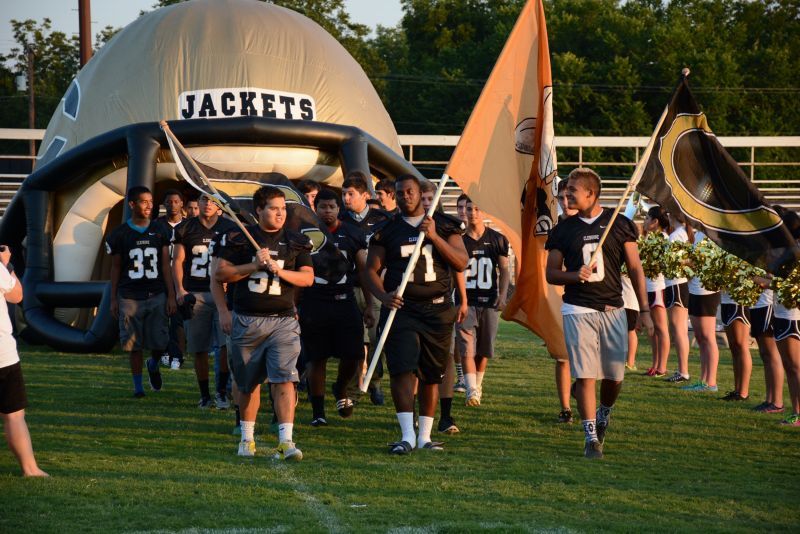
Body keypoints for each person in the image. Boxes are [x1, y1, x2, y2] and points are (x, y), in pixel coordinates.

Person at [545, 168, 652, 459]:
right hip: (577, 308)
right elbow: (551, 274)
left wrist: (645, 310)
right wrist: (572, 275)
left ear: (591, 194)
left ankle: (604, 413)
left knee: (615, 376)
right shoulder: (563, 229)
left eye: (573, 192)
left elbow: (635, 268)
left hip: (613, 308)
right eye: (566, 193)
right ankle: (591, 436)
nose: (566, 197)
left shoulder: (619, 224)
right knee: (585, 375)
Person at [365, 174, 468, 454]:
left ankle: (425, 435)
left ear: (420, 193)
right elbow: (370, 271)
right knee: (402, 369)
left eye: (409, 191)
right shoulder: (386, 230)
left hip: (437, 309)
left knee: (431, 373)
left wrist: (434, 235)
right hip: (403, 310)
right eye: (399, 193)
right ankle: (407, 434)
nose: (405, 196)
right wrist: (384, 297)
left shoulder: (445, 225)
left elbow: (461, 261)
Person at [214, 186, 314, 460]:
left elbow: (307, 278)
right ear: (258, 210)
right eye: (273, 208)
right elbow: (220, 274)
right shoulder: (240, 238)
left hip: (282, 320)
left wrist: (280, 270)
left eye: (283, 208)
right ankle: (247, 438)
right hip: (247, 319)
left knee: (284, 379)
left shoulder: (295, 241)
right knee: (248, 383)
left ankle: (286, 440)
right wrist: (253, 266)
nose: (280, 213)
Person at [300, 188, 373, 426]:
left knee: (353, 353)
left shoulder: (351, 233)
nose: (327, 211)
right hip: (315, 300)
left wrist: (370, 304)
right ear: (315, 208)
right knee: (316, 358)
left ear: (338, 209)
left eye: (332, 207)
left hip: (345, 299)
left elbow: (363, 271)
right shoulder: (305, 234)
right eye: (323, 206)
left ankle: (340, 388)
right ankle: (318, 411)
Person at [106, 186, 177, 397]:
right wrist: (113, 298)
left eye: (151, 202)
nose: (149, 206)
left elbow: (166, 265)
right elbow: (116, 268)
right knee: (133, 343)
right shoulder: (120, 234)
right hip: (129, 294)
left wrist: (171, 295)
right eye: (144, 202)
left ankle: (153, 364)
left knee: (160, 342)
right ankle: (138, 387)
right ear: (132, 205)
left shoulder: (160, 230)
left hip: (156, 293)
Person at [172, 195, 237, 408]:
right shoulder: (185, 228)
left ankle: (221, 392)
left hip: (223, 294)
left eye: (212, 200)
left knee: (225, 346)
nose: (208, 203)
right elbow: (178, 261)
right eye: (203, 199)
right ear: (197, 203)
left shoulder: (230, 227)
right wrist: (180, 289)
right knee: (198, 348)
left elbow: (237, 259)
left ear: (219, 205)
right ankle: (205, 395)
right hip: (196, 293)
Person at [419, 180, 467, 434]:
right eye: (423, 198)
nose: (427, 203)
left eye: (431, 198)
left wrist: (463, 298)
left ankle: (446, 415)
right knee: (415, 360)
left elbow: (457, 264)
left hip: (440, 302)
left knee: (445, 358)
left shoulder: (448, 225)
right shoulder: (404, 223)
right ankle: (420, 414)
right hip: (412, 303)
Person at [340, 172, 392, 404]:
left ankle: (376, 381)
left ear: (365, 195)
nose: (346, 199)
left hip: (376, 286)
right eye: (343, 194)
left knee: (375, 338)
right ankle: (353, 388)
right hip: (349, 286)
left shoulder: (382, 219)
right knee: (353, 340)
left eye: (350, 194)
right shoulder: (340, 219)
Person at [0, 245, 48, 477]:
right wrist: (7, 264)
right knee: (14, 415)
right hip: (3, 354)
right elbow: (17, 295)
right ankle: (30, 468)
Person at [457, 197, 510, 407]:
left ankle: (477, 385)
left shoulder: (498, 239)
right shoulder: (459, 240)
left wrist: (503, 294)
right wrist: (460, 298)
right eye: (469, 209)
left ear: (485, 212)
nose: (473, 213)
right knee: (466, 347)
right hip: (466, 300)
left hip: (489, 300)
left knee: (484, 349)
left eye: (478, 209)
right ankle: (471, 390)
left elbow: (504, 270)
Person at [682, 225, 721, 393]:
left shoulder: (715, 235)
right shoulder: (698, 235)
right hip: (695, 289)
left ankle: (711, 382)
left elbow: (714, 261)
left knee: (707, 337)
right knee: (699, 337)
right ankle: (703, 380)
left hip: (708, 290)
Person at [154, 189, 187, 370]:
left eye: (176, 201)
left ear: (182, 204)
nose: (172, 205)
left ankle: (177, 354)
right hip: (161, 274)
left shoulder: (189, 225)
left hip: (181, 274)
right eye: (169, 201)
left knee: (177, 317)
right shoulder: (157, 225)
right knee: (161, 315)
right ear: (164, 204)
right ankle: (165, 351)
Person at [553, 179, 576, 423]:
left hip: (590, 300)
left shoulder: (591, 225)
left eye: (570, 198)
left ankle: (579, 389)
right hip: (561, 297)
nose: (566, 203)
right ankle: (566, 408)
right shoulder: (556, 228)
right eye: (561, 199)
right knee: (562, 356)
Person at [663, 212, 692, 384]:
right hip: (676, 284)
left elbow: (679, 261)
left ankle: (683, 371)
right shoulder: (682, 233)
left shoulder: (675, 235)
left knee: (679, 329)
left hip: (676, 284)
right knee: (678, 329)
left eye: (669, 212)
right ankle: (682, 370)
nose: (668, 214)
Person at [642, 207, 670, 377]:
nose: (644, 221)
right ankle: (655, 364)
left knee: (661, 328)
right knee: (652, 330)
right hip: (648, 287)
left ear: (655, 222)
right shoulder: (648, 239)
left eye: (647, 218)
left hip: (658, 287)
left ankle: (662, 366)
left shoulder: (664, 239)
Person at [452, 193, 471, 393]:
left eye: (467, 207)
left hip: (474, 292)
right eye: (460, 207)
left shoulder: (478, 235)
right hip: (453, 291)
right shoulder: (451, 232)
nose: (463, 212)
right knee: (455, 338)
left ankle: (469, 378)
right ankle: (460, 376)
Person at [720, 290, 752, 401]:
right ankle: (737, 390)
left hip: (739, 300)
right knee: (734, 347)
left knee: (741, 345)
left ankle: (743, 392)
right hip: (726, 299)